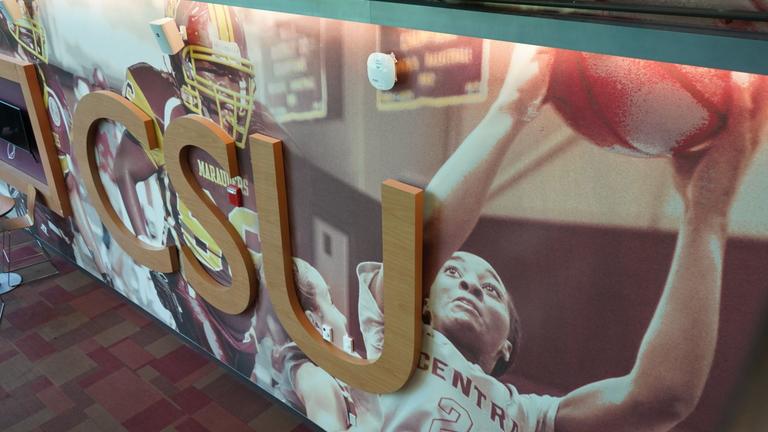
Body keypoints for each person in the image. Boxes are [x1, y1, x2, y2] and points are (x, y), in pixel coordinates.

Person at [356, 45, 765, 431]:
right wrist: (511, 107)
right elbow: (417, 250)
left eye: (492, 290)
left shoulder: (526, 415)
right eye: (454, 271)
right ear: (422, 301)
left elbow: (662, 398)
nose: (470, 284)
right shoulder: (393, 332)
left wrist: (707, 215)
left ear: (505, 349)